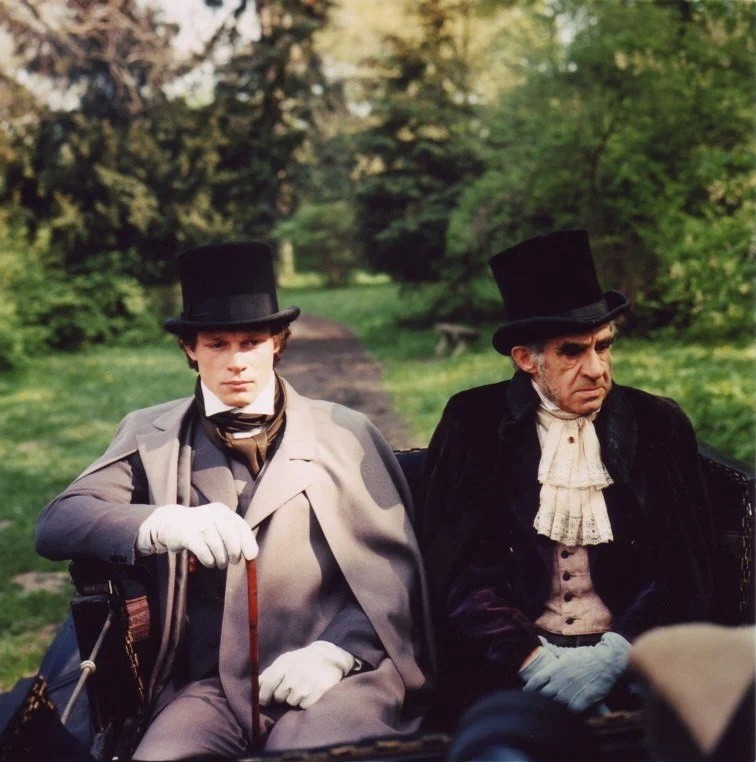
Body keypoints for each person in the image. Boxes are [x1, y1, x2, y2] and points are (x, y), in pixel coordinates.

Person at [36, 241, 434, 759]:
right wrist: (161, 522)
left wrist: (341, 652)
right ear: (189, 349)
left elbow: (394, 573)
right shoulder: (152, 434)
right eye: (217, 344)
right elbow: (59, 521)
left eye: (251, 342)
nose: (236, 362)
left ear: (278, 342)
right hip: (210, 688)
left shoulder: (346, 432)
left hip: (336, 677)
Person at [418, 229, 714, 727]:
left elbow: (683, 564)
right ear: (526, 360)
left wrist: (616, 655)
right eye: (572, 352)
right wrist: (533, 663)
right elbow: (457, 571)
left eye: (604, 346)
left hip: (639, 659)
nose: (596, 369)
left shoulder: (657, 424)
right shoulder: (474, 423)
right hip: (508, 666)